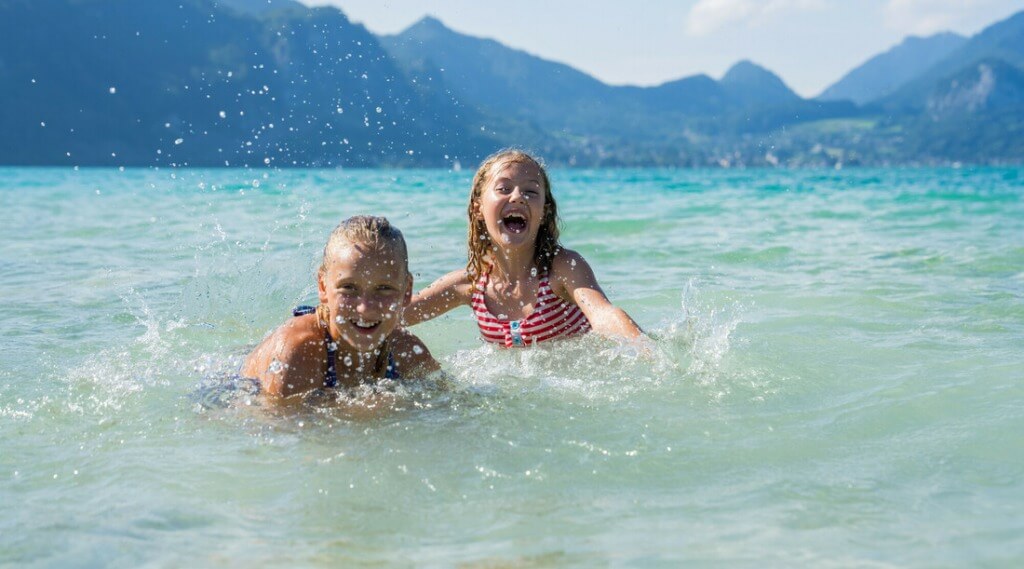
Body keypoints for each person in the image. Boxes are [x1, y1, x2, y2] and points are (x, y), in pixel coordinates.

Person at [405, 149, 644, 347]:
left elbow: (603, 314)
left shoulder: (562, 269)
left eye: (530, 192)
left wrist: (644, 349)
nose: (518, 197)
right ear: (478, 208)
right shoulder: (470, 284)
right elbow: (394, 316)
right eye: (504, 189)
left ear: (544, 211)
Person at [241, 216, 439, 398]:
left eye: (384, 288)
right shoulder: (297, 353)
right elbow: (275, 428)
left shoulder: (406, 350)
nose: (365, 308)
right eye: (349, 288)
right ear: (323, 287)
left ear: (406, 291)